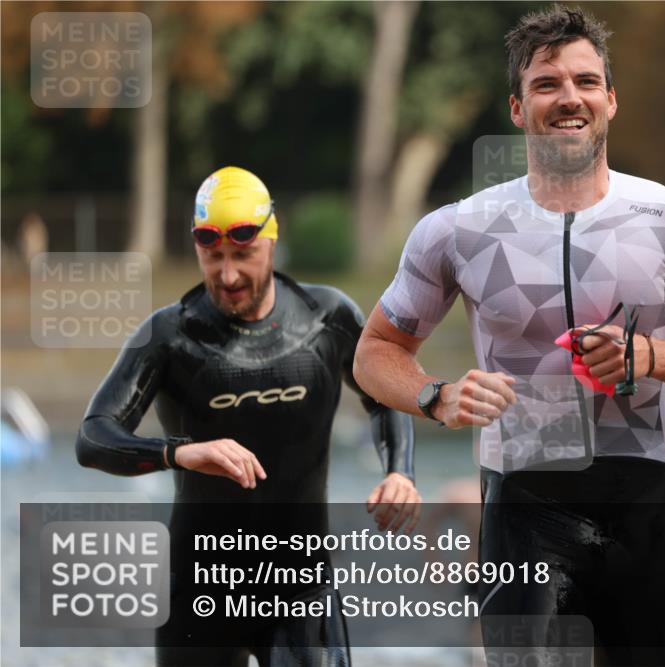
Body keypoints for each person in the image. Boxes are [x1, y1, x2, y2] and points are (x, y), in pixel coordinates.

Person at [353, 6, 665, 666]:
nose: (569, 98)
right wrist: (436, 396)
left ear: (611, 99)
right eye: (546, 84)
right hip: (523, 506)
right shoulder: (460, 229)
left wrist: (651, 355)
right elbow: (375, 353)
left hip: (642, 506)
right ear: (517, 109)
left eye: (585, 81)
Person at [76, 166, 420, 667]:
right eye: (212, 257)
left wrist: (400, 472)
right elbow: (93, 437)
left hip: (300, 587)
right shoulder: (171, 335)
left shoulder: (325, 318)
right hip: (197, 588)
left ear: (271, 241)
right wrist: (179, 453)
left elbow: (384, 392)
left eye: (243, 254)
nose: (228, 274)